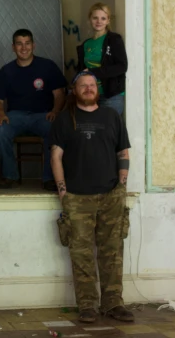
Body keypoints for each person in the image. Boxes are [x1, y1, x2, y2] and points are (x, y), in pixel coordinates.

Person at [50, 71, 134, 324]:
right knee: (81, 254)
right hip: (77, 197)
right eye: (82, 86)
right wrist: (63, 190)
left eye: (91, 85)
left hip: (111, 196)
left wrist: (121, 184)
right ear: (74, 91)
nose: (88, 89)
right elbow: (56, 156)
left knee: (113, 252)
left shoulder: (111, 116)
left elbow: (123, 151)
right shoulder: (65, 120)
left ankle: (113, 303)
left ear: (97, 89)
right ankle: (87, 306)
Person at [0, 29, 67, 191]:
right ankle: (9, 176)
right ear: (13, 47)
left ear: (33, 45)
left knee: (55, 129)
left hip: (43, 115)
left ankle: (49, 178)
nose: (23, 47)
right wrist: (0, 114)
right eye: (19, 43)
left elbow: (59, 94)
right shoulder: (6, 71)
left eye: (27, 43)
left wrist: (55, 111)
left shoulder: (47, 66)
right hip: (15, 116)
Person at [76, 3, 128, 116]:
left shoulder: (114, 39)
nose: (99, 21)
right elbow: (81, 69)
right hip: (89, 94)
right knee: (90, 130)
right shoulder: (86, 44)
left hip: (111, 95)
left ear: (108, 21)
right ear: (90, 19)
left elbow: (121, 66)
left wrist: (92, 72)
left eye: (103, 18)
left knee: (108, 131)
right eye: (95, 18)